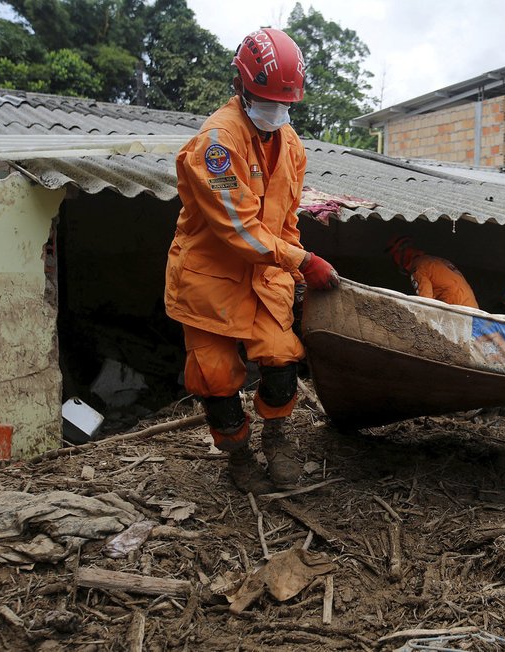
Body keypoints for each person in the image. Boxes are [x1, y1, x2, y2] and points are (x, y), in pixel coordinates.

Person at [164, 28, 340, 495]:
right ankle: (239, 457)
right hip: (210, 280)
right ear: (241, 86)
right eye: (266, 99)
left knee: (283, 361)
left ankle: (277, 438)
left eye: (285, 103)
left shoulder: (293, 146)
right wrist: (304, 261)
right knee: (216, 379)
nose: (276, 111)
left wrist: (293, 265)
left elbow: (286, 222)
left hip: (266, 278)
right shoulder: (216, 146)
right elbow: (237, 229)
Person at [385, 236, 479, 308]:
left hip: (457, 312)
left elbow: (425, 302)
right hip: (473, 310)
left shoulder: (418, 269)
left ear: (398, 255)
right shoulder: (433, 261)